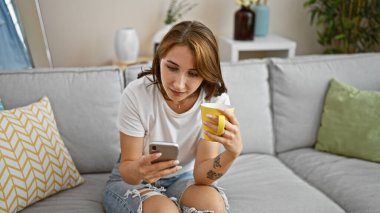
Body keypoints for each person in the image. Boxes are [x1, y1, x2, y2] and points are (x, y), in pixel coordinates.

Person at [103, 20, 242, 213]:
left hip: (183, 178)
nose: (179, 84)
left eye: (193, 73)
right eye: (172, 67)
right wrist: (140, 169)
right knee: (164, 210)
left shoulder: (214, 102)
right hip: (134, 181)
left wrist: (230, 154)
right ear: (160, 58)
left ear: (206, 75)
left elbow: (202, 177)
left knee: (212, 203)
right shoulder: (137, 94)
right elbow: (127, 172)